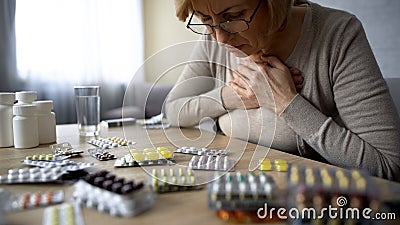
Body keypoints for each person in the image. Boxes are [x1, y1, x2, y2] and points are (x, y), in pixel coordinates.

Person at [165, 0, 400, 181]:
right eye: (205, 19)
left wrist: (286, 102)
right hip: (235, 186)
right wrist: (233, 97)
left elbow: (388, 166)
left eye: (234, 16)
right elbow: (173, 110)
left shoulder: (337, 34)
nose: (220, 39)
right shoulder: (213, 38)